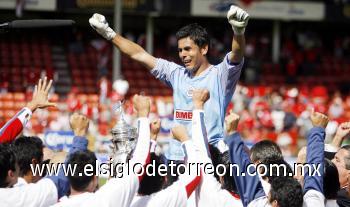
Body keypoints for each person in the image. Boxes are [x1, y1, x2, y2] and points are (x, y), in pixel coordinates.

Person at [89, 5, 249, 146]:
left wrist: (238, 31)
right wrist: (109, 34)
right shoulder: (175, 73)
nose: (183, 55)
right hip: (177, 159)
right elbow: (140, 55)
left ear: (204, 49)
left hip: (208, 158)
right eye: (180, 50)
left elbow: (236, 54)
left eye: (188, 49)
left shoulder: (220, 75)